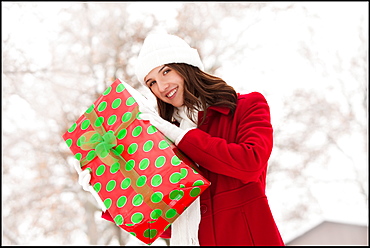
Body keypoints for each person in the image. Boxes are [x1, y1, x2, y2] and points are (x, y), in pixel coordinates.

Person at [79, 32, 285, 246]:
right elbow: (163, 223)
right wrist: (103, 193)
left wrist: (178, 135)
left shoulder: (247, 106)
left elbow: (250, 163)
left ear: (186, 65)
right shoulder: (160, 140)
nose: (161, 86)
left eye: (166, 71)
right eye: (152, 83)